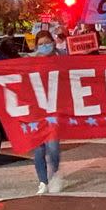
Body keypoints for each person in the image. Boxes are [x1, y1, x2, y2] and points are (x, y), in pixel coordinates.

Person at [28, 30, 65, 195]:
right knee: (39, 149)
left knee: (53, 147)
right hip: (36, 111)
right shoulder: (30, 62)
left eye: (47, 42)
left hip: (55, 109)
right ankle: (43, 181)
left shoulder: (62, 59)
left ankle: (55, 174)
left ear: (54, 42)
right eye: (41, 44)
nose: (44, 46)